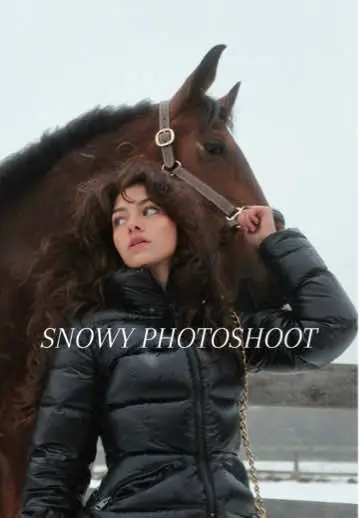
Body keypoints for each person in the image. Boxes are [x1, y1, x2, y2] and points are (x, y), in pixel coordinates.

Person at [20, 160, 357, 518]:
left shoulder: (223, 327)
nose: (132, 223)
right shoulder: (94, 336)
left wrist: (278, 241)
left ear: (180, 221)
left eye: (148, 210)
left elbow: (331, 327)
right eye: (119, 219)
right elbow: (56, 469)